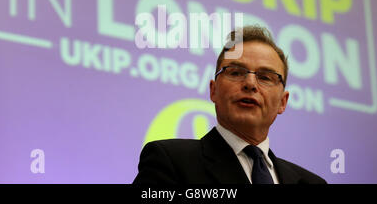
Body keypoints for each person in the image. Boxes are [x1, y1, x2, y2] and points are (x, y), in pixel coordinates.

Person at [133, 25, 326, 184]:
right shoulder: (171, 162)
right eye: (235, 73)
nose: (250, 84)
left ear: (283, 102)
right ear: (213, 90)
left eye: (265, 77)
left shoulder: (312, 183)